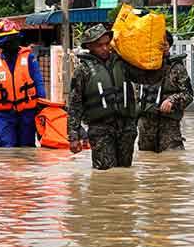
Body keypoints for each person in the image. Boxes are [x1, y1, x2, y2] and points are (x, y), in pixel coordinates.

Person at [67, 24, 162, 170]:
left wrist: (158, 56)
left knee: (124, 172)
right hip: (100, 129)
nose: (105, 48)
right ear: (89, 46)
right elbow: (75, 105)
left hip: (126, 128)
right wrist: (74, 135)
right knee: (105, 173)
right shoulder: (82, 71)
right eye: (100, 45)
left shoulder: (123, 63)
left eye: (107, 43)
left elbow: (148, 78)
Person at [0, 19, 47, 147]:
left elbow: (39, 85)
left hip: (27, 114)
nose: (11, 43)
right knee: (6, 151)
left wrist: (43, 111)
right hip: (3, 116)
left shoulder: (29, 58)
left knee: (27, 150)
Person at [137, 31, 194, 152]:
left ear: (168, 46)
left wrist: (172, 100)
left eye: (164, 44)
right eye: (157, 44)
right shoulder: (141, 66)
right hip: (145, 128)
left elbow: (188, 94)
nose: (160, 47)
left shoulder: (176, 68)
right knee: (147, 164)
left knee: (173, 162)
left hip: (169, 128)